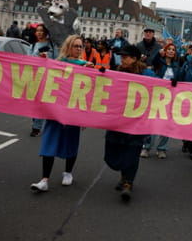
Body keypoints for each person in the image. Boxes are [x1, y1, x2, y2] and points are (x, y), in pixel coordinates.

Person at [30, 35, 94, 192]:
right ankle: (44, 179)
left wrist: (85, 116)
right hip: (56, 110)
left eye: (81, 46)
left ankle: (68, 172)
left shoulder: (86, 66)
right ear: (68, 46)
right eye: (76, 46)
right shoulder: (58, 64)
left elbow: (91, 92)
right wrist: (43, 61)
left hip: (74, 111)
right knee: (49, 143)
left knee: (71, 142)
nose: (79, 49)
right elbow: (44, 77)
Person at [104, 44, 155, 202]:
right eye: (121, 56)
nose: (122, 59)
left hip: (136, 122)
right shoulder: (118, 72)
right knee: (113, 153)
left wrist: (172, 84)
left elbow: (160, 86)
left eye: (125, 57)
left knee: (132, 152)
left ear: (134, 58)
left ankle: (128, 182)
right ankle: (123, 175)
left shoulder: (147, 74)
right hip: (118, 121)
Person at [140, 43, 180, 159]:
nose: (171, 51)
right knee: (151, 122)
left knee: (166, 124)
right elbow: (153, 60)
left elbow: (180, 79)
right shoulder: (159, 62)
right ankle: (146, 147)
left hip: (170, 98)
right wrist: (159, 53)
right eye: (169, 49)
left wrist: (175, 81)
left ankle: (162, 148)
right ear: (165, 51)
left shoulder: (176, 66)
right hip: (157, 96)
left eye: (173, 50)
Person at [29, 24, 56, 137]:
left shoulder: (52, 45)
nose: (39, 33)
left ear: (46, 32)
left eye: (41, 31)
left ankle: (37, 127)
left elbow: (56, 60)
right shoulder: (33, 45)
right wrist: (37, 55)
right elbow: (28, 60)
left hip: (47, 77)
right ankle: (36, 120)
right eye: (37, 31)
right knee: (35, 102)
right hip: (35, 77)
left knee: (41, 102)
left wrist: (47, 58)